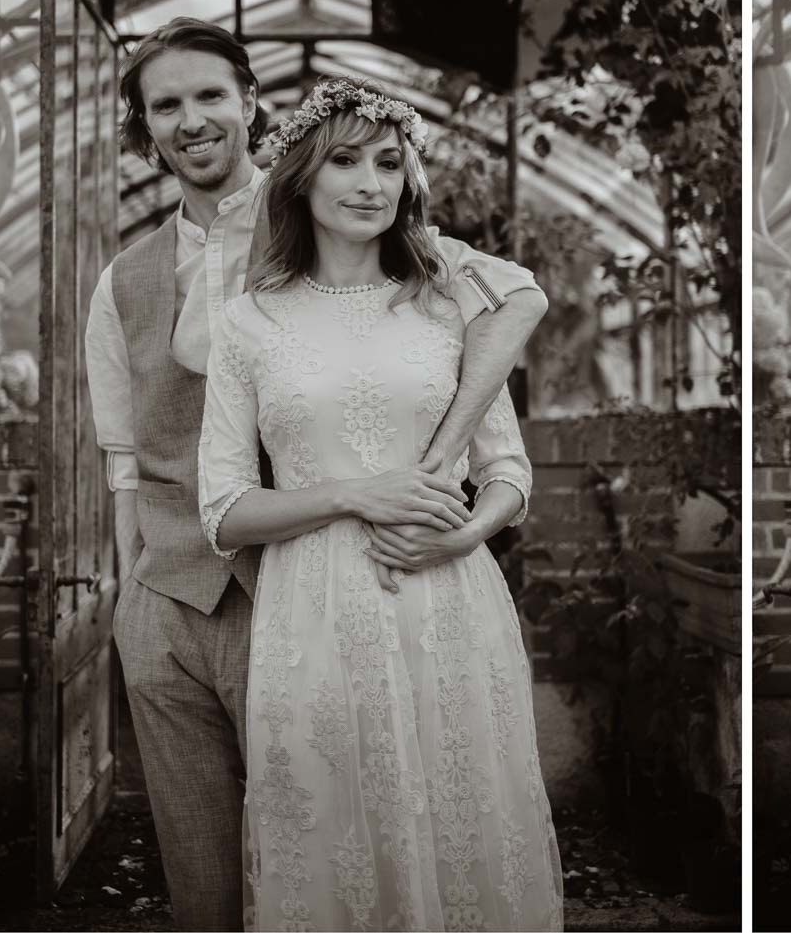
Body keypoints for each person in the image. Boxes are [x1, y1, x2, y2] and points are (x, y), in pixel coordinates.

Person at [85, 19, 547, 931]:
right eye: (166, 104)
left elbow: (508, 308)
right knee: (215, 881)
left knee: (373, 843)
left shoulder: (349, 202)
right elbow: (124, 457)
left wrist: (440, 491)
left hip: (306, 597)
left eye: (210, 95)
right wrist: (132, 600)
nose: (193, 119)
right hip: (175, 590)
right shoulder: (125, 278)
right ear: (145, 127)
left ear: (251, 105)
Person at [197, 77, 562, 930]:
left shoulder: (445, 305)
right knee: (333, 838)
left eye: (389, 163)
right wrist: (355, 493)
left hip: (448, 604)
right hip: (312, 621)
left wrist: (462, 532)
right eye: (346, 162)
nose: (371, 182)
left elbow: (508, 470)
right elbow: (222, 510)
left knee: (467, 835)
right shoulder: (249, 323)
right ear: (302, 181)